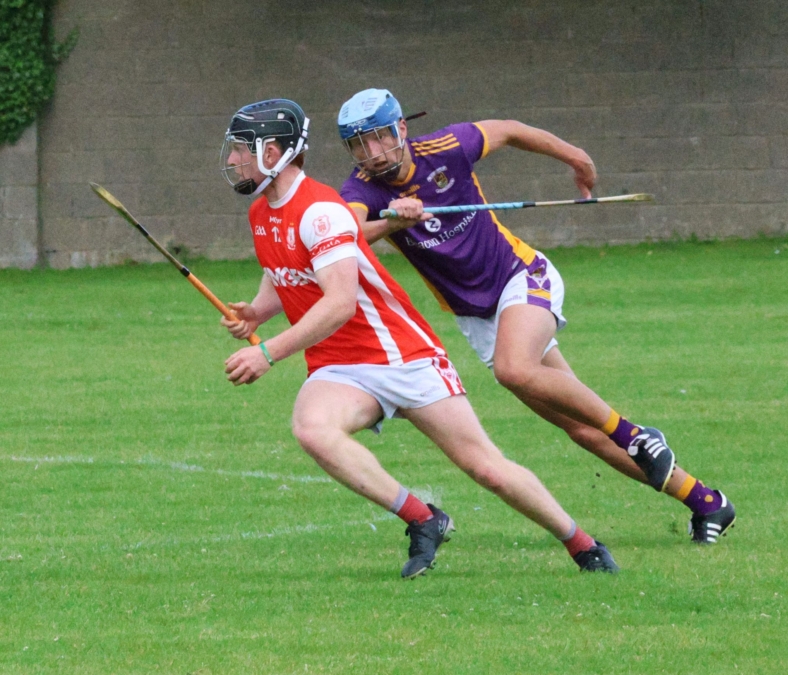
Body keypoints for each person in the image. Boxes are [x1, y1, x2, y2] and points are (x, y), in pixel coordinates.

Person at [217, 97, 620, 579]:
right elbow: (286, 274)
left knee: (485, 468)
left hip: (402, 354)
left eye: (244, 149)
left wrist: (269, 351)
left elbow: (341, 300)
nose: (233, 159)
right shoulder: (263, 213)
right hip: (341, 365)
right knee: (313, 428)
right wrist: (256, 311)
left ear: (277, 153)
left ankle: (581, 544)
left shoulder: (321, 210)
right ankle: (423, 518)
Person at [336, 88, 735, 545]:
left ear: (401, 129)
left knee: (514, 369)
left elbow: (509, 131)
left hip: (521, 277)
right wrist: (393, 223)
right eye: (359, 144)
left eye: (379, 137)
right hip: (478, 318)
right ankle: (707, 502)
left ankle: (638, 436)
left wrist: (576, 158)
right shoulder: (362, 188)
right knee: (582, 428)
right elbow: (347, 235)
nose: (372, 152)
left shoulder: (446, 147)